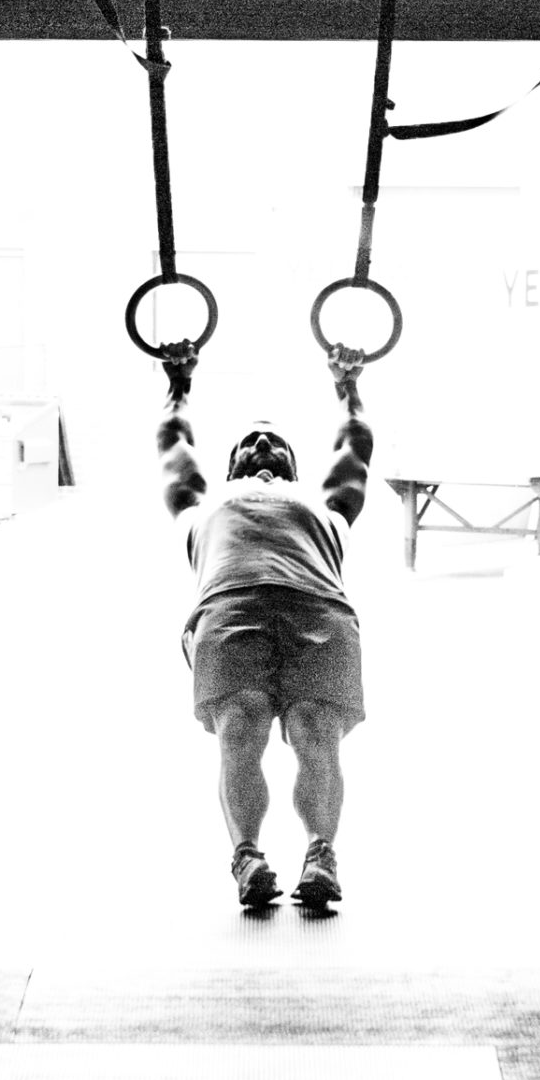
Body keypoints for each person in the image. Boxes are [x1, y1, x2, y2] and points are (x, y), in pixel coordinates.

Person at [156, 334, 372, 911]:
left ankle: (321, 856)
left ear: (294, 465)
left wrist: (348, 387)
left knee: (313, 731)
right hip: (230, 609)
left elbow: (355, 449)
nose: (261, 445)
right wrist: (178, 383)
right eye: (250, 441)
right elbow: (173, 444)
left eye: (274, 441)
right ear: (230, 466)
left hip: (318, 608)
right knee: (241, 727)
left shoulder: (325, 506)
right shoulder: (203, 505)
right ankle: (248, 858)